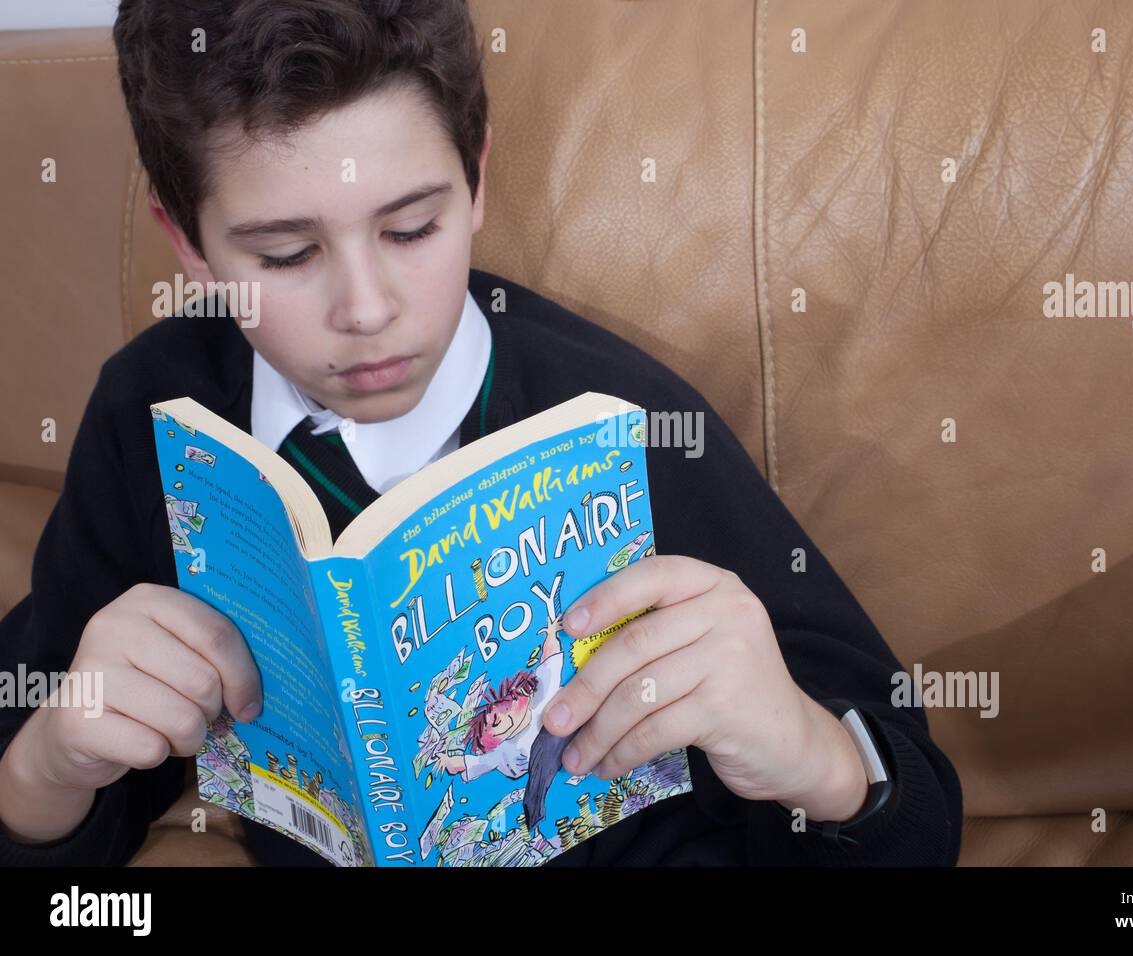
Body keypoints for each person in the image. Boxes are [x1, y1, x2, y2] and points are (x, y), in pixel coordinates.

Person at [0, 0, 962, 866]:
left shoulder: (629, 419)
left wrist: (812, 754)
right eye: (287, 254)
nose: (367, 310)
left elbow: (914, 813)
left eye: (413, 228)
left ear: (477, 181)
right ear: (189, 246)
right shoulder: (152, 415)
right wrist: (44, 767)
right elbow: (60, 792)